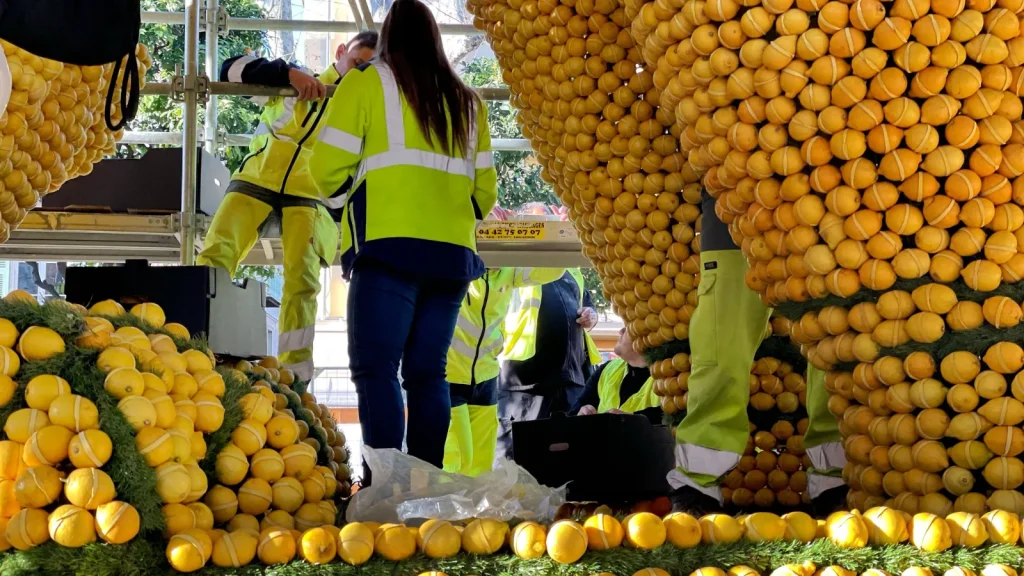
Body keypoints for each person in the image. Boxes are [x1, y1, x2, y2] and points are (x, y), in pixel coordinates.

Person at [308, 0, 498, 473]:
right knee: (428, 375)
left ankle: (386, 491)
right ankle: (425, 487)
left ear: (388, 37)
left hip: (388, 251)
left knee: (376, 371)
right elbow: (485, 195)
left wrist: (351, 197)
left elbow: (325, 169)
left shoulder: (365, 82)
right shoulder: (469, 102)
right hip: (452, 259)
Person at [197, 32, 379, 383]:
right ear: (341, 52)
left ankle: (294, 379)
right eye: (357, 62)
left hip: (312, 196)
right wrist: (287, 74)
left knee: (302, 283)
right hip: (258, 178)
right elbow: (229, 69)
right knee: (216, 255)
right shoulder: (292, 79)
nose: (359, 72)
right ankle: (197, 348)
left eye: (368, 69)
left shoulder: (363, 110)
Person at [666, 192, 846, 516]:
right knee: (721, 347)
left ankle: (835, 479)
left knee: (831, 342)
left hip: (823, 199)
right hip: (734, 204)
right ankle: (696, 485)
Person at [443, 263, 566, 477]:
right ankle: (447, 500)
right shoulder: (460, 266)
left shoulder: (508, 272)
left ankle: (477, 500)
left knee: (482, 463)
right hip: (450, 375)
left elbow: (553, 269)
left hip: (487, 375)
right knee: (456, 458)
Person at [494, 268, 603, 461]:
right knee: (518, 458)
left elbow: (587, 306)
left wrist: (591, 316)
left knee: (568, 458)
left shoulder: (572, 271)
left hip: (571, 382)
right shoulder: (515, 264)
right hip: (526, 383)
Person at [570, 327, 660, 423]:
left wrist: (633, 422)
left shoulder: (669, 379)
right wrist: (581, 414)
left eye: (629, 327)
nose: (621, 331)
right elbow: (572, 415)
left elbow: (668, 419)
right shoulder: (607, 369)